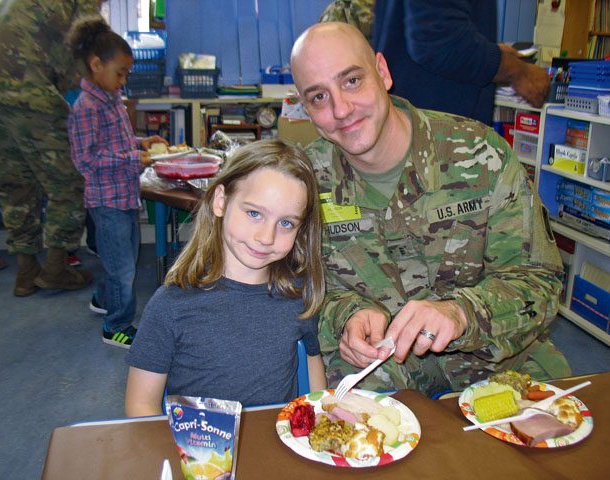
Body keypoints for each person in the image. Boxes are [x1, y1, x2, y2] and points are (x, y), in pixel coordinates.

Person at [290, 22, 571, 396]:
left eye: (352, 80)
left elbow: (540, 280)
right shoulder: (304, 185)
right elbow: (296, 293)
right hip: (378, 368)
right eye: (319, 97)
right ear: (305, 107)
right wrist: (346, 315)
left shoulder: (479, 155)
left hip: (499, 359)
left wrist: (461, 313)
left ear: (382, 72)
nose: (341, 108)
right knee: (350, 436)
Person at [124, 139, 327, 416]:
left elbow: (312, 364)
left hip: (275, 447)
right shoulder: (170, 305)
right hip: (199, 454)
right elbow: (140, 405)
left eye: (286, 223)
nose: (266, 237)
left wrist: (318, 417)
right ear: (221, 201)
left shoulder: (298, 295)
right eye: (254, 213)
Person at [67, 17, 167, 348]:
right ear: (96, 64)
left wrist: (140, 143)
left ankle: (102, 298)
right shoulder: (85, 107)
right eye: (120, 73)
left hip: (125, 196)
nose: (123, 80)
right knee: (123, 268)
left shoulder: (111, 98)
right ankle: (116, 325)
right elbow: (86, 159)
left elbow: (116, 142)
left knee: (122, 259)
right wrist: (132, 159)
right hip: (105, 201)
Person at [0, 0, 101, 297]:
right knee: (68, 182)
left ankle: (26, 271)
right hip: (32, 97)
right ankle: (56, 269)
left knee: (16, 184)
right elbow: (93, 53)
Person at [371, 0, 551, 125]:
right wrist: (517, 71)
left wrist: (491, 50)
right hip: (434, 136)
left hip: (413, 122)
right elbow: (437, 39)